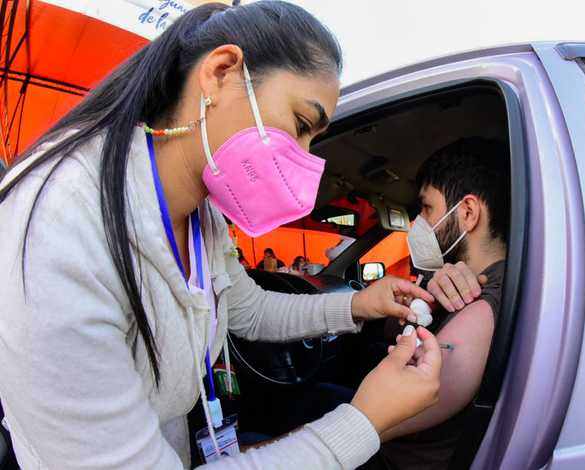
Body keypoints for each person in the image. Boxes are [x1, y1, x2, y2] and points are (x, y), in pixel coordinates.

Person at [0, 3, 447, 469]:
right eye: (299, 125)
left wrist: (357, 304)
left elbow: (247, 310)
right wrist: (364, 421)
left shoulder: (202, 216)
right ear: (221, 72)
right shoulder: (59, 227)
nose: (304, 159)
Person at [361, 137, 510, 470]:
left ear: (468, 213)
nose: (419, 224)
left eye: (427, 208)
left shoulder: (485, 305)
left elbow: (378, 420)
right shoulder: (456, 284)